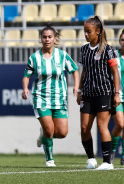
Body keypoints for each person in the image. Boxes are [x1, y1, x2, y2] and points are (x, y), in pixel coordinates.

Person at [22, 23, 79, 167]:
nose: (47, 39)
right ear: (40, 39)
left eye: (50, 37)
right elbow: (27, 75)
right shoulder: (34, 57)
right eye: (44, 37)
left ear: (55, 39)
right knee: (49, 129)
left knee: (62, 133)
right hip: (41, 97)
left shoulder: (62, 55)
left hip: (59, 98)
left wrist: (77, 86)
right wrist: (25, 88)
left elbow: (74, 70)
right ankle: (50, 160)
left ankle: (43, 134)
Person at [76, 16, 121, 170]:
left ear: (98, 31)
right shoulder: (83, 50)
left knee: (102, 126)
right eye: (84, 32)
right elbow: (84, 71)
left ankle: (107, 162)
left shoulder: (108, 50)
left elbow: (115, 73)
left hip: (104, 92)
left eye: (89, 32)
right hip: (87, 94)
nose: (86, 34)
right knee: (84, 128)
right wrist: (80, 90)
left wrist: (116, 93)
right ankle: (91, 159)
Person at [110, 28, 124, 165]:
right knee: (119, 124)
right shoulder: (113, 56)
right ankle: (112, 153)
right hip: (116, 96)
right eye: (122, 40)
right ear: (119, 41)